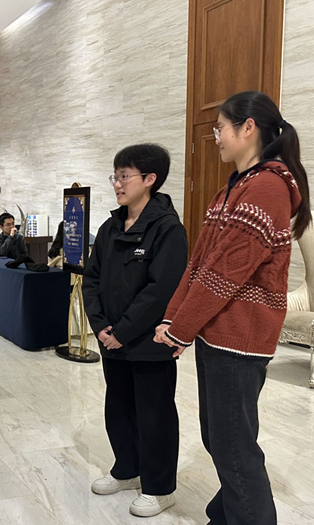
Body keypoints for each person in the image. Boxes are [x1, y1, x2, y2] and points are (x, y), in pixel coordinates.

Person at [155, 90, 311, 525]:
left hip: (241, 335)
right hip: (218, 331)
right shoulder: (234, 187)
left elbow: (225, 274)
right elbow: (200, 264)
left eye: (221, 127)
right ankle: (225, 515)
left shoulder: (268, 187)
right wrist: (174, 318)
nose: (216, 136)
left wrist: (181, 329)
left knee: (234, 445)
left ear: (248, 128)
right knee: (220, 437)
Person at [82, 144, 188, 517]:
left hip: (148, 342)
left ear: (150, 179)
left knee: (154, 414)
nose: (117, 183)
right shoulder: (110, 227)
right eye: (115, 176)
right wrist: (100, 327)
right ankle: (127, 469)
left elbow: (160, 291)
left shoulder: (168, 229)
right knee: (119, 407)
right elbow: (91, 279)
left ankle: (160, 488)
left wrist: (123, 331)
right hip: (111, 340)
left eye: (124, 176)